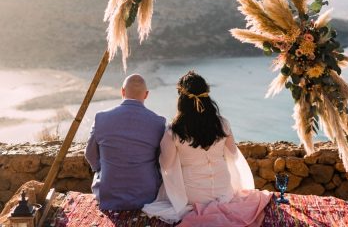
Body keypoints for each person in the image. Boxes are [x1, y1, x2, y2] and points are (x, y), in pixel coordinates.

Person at [143, 71, 272, 226]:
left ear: (181, 99)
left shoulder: (173, 132)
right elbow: (232, 152)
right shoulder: (222, 123)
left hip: (193, 197)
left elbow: (166, 165)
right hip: (223, 192)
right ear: (207, 95)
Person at [85, 74, 166, 210]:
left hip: (108, 194)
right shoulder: (158, 123)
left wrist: (102, 169)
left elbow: (90, 154)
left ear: (122, 91)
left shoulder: (101, 118)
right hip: (146, 195)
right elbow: (161, 160)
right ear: (146, 95)